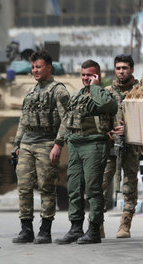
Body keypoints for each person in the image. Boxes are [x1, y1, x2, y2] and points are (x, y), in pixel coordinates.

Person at [55, 60, 117, 245]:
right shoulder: (76, 96)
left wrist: (96, 87)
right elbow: (66, 120)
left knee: (93, 189)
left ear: (97, 76)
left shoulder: (103, 94)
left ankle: (94, 230)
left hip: (94, 145)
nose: (85, 78)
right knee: (73, 188)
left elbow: (109, 107)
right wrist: (58, 143)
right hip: (75, 144)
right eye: (83, 75)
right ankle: (75, 228)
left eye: (89, 75)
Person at [12, 50, 70, 244]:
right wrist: (17, 144)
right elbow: (23, 120)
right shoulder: (30, 92)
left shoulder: (58, 90)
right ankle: (26, 229)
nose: (35, 70)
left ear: (48, 67)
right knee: (24, 187)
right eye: (33, 67)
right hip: (27, 143)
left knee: (46, 187)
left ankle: (45, 230)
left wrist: (58, 145)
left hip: (46, 143)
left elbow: (66, 120)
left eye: (39, 66)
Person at [102, 54, 140, 238]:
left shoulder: (141, 90)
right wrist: (107, 131)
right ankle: (97, 224)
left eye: (124, 68)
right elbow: (100, 118)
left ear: (131, 69)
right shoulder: (107, 92)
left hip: (131, 145)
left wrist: (130, 129)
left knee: (130, 185)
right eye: (118, 68)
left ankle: (125, 224)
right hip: (110, 145)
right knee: (101, 184)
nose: (121, 71)